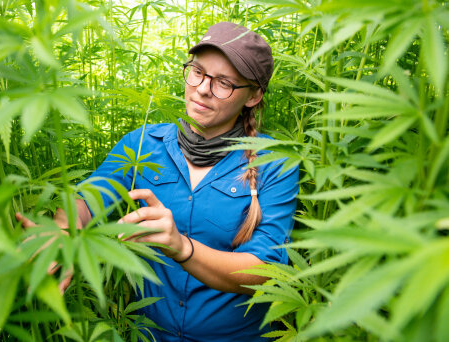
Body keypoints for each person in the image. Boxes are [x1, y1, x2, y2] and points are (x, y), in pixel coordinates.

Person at [18, 22, 299, 341]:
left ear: (253, 95)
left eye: (224, 82)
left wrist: (182, 247)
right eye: (198, 72)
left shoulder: (274, 162)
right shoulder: (142, 144)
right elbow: (88, 198)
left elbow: (265, 269)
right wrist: (63, 231)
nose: (203, 88)